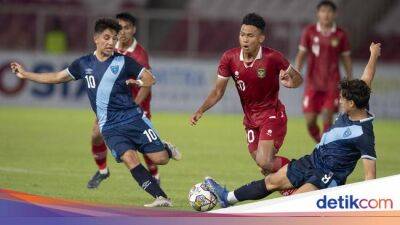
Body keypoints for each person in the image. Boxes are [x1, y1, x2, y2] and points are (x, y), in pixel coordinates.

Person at [10, 18, 181, 207]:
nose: (111, 42)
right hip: (109, 126)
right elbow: (57, 77)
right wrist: (25, 74)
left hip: (133, 118)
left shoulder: (124, 61)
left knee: (160, 159)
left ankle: (166, 148)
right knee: (129, 158)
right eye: (106, 38)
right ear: (96, 39)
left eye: (114, 39)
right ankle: (161, 197)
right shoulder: (84, 63)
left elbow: (150, 78)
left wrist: (138, 82)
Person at [205, 43, 380, 208]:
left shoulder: (364, 135)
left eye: (342, 98)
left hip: (328, 176)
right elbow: (367, 77)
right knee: (271, 181)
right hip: (313, 160)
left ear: (351, 103)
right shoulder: (360, 101)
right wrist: (373, 55)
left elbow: (370, 177)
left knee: (293, 205)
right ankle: (227, 198)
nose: (339, 100)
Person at [190, 13, 303, 176]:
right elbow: (218, 91)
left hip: (272, 115)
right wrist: (201, 110)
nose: (245, 39)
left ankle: (305, 168)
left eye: (250, 35)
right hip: (250, 120)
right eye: (242, 34)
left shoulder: (273, 57)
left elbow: (298, 78)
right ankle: (294, 184)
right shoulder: (229, 58)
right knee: (265, 166)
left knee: (265, 162)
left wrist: (291, 83)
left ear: (261, 38)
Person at [87, 12, 161, 189]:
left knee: (145, 147)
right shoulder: (111, 46)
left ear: (134, 30)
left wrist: (133, 106)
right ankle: (103, 171)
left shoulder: (139, 55)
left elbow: (147, 85)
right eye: (120, 27)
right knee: (96, 135)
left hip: (136, 106)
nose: (123, 32)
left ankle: (155, 176)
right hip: (112, 105)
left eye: (127, 27)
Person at [295, 0, 352, 143]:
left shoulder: (340, 34)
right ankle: (320, 141)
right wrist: (296, 71)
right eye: (323, 11)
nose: (326, 14)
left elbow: (346, 58)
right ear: (318, 14)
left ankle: (324, 148)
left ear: (335, 14)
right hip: (312, 84)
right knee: (310, 121)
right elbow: (301, 54)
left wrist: (350, 79)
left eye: (329, 11)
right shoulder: (309, 32)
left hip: (332, 84)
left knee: (327, 116)